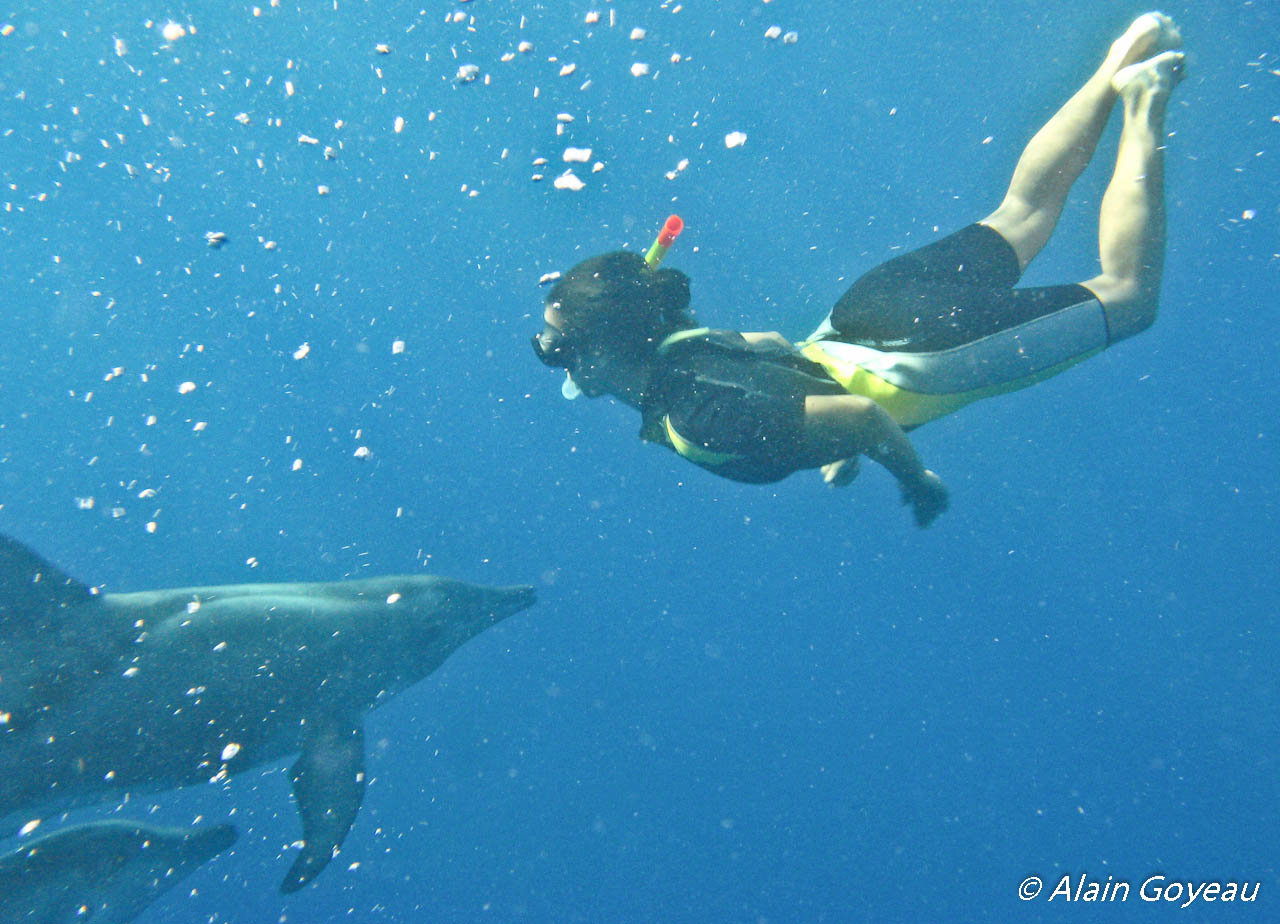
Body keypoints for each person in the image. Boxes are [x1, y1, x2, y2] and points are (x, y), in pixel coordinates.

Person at [532, 13, 1184, 528]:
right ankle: (1121, 59)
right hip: (864, 310)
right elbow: (780, 353)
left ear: (604, 350)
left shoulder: (693, 418)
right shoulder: (684, 347)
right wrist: (825, 436)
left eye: (555, 345)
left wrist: (914, 480)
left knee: (1127, 296)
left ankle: (1144, 100)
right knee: (1020, 214)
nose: (550, 354)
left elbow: (865, 416)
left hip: (920, 359)